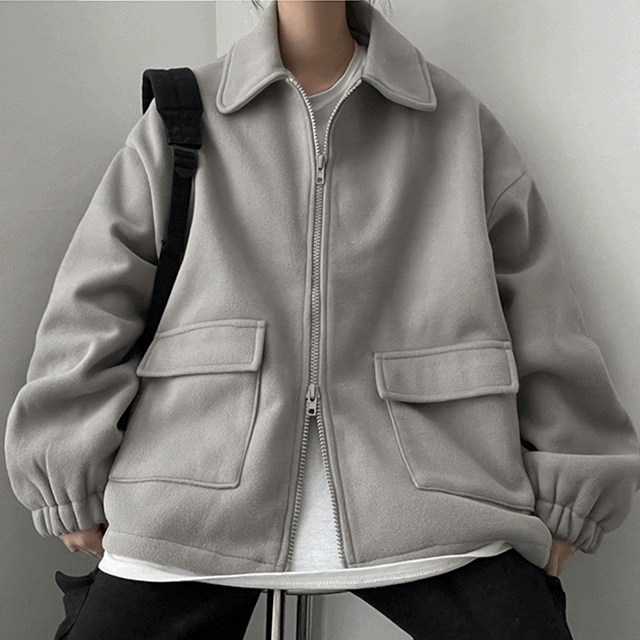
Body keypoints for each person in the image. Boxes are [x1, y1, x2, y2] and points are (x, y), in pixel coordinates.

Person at [5, 0, 640, 638]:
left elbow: (541, 311)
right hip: (187, 493)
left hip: (440, 495)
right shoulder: (182, 116)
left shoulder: (454, 121)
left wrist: (576, 484)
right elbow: (92, 305)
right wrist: (64, 467)